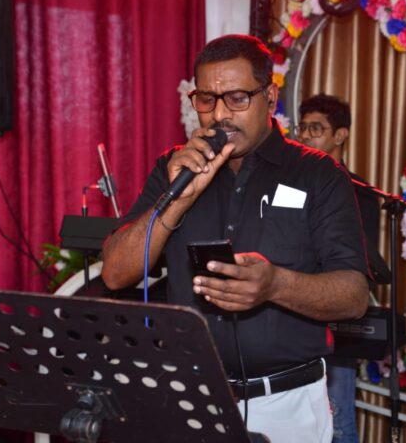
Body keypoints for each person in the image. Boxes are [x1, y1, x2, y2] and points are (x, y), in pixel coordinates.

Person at [101, 34, 369, 442]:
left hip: (286, 403)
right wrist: (178, 200)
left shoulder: (317, 173)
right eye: (206, 100)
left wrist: (276, 284)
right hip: (189, 396)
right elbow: (115, 273)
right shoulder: (175, 167)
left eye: (237, 98)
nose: (220, 115)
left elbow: (353, 296)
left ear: (270, 97)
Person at [297, 94, 390, 443]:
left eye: (315, 129)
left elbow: (360, 261)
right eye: (302, 128)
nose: (305, 136)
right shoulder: (290, 182)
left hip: (334, 313)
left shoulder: (358, 192)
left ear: (340, 135)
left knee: (338, 420)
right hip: (291, 312)